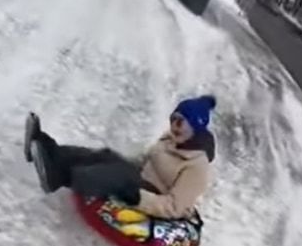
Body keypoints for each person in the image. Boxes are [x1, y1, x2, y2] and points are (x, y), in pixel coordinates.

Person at [24, 95, 216, 221]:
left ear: (196, 126)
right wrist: (117, 160)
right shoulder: (170, 138)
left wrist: (138, 197)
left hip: (150, 197)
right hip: (139, 180)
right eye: (173, 118)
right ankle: (44, 146)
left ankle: (56, 177)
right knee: (106, 157)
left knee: (116, 176)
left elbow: (174, 207)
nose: (175, 125)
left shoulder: (196, 167)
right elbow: (146, 158)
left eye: (181, 121)